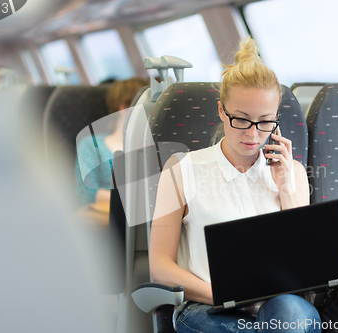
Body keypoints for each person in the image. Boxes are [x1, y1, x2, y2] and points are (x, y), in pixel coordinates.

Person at [149, 37, 321, 332]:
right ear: (221, 111)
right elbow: (160, 267)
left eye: (265, 122)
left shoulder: (290, 172)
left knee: (291, 312)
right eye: (241, 120)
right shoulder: (181, 170)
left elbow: (303, 268)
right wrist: (226, 295)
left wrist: (287, 190)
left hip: (277, 305)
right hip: (207, 306)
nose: (254, 134)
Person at [75, 77, 148, 206]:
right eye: (146, 107)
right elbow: (87, 193)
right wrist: (132, 203)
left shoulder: (151, 145)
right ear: (125, 109)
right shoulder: (91, 145)